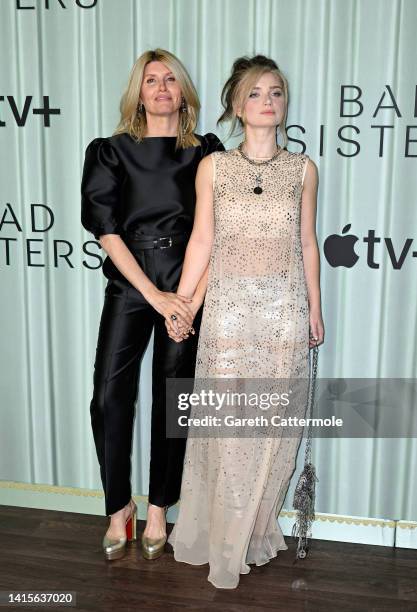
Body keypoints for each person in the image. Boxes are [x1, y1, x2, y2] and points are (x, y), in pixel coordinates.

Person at [166, 55, 324, 588]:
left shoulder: (303, 169)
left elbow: (306, 244)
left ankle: (253, 531)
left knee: (270, 430)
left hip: (282, 314)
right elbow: (203, 241)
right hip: (229, 313)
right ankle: (225, 539)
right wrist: (183, 304)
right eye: (256, 93)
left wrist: (315, 312)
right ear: (237, 104)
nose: (267, 101)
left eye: (276, 92)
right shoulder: (213, 168)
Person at [80, 48, 224, 562]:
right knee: (107, 396)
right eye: (150, 81)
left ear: (183, 91)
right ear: (137, 93)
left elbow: (218, 230)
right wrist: (154, 295)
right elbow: (107, 231)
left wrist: (186, 300)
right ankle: (118, 506)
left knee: (174, 402)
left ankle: (161, 506)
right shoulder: (109, 151)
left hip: (188, 285)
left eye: (169, 79)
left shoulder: (206, 151)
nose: (161, 88)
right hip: (132, 284)